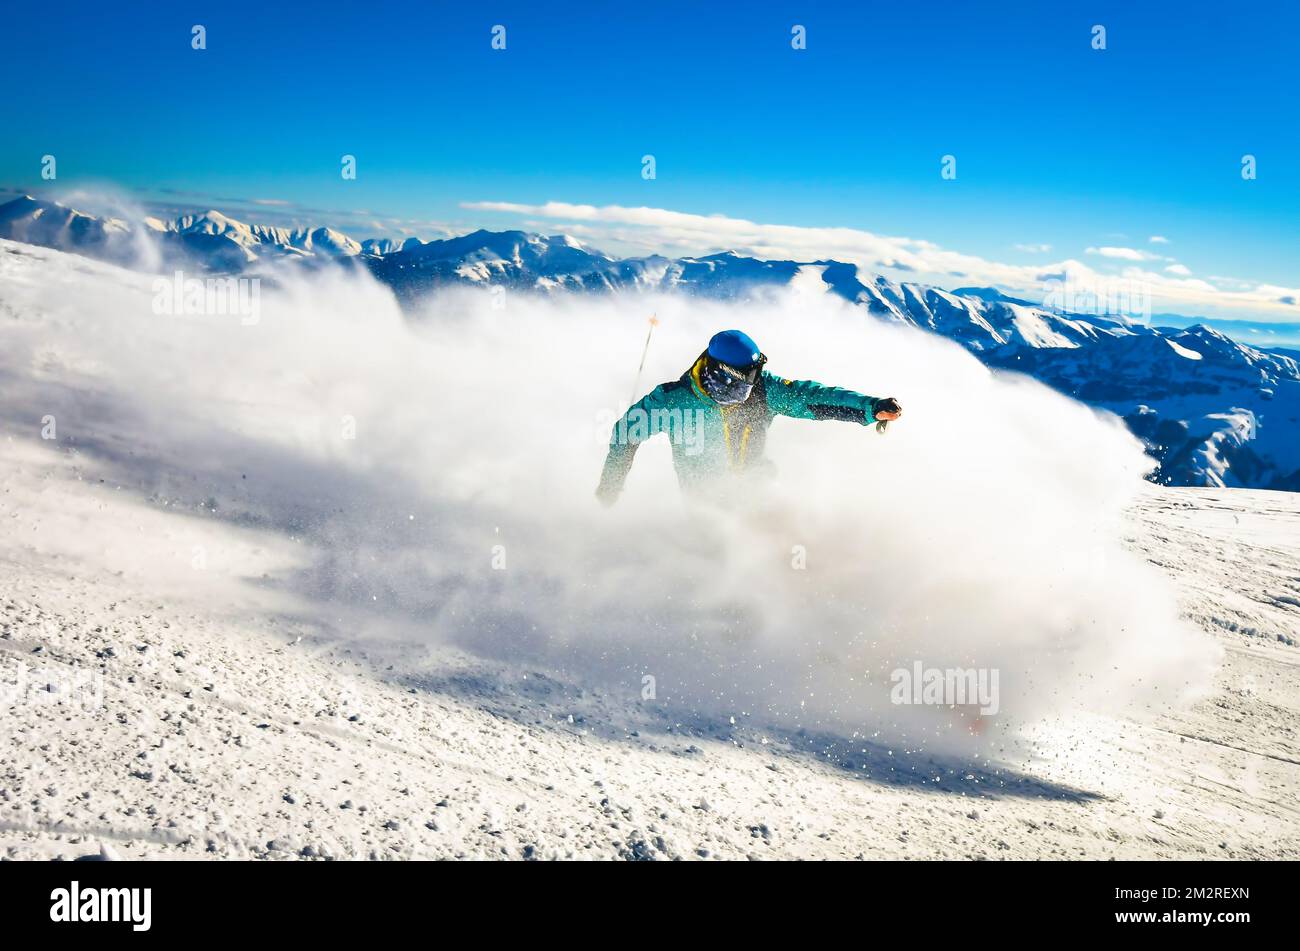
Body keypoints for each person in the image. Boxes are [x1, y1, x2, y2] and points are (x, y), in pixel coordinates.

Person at [597, 329, 902, 504]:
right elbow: (626, 434)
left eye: (749, 384)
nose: (744, 395)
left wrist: (869, 407)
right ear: (716, 373)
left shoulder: (762, 390)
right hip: (704, 508)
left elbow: (812, 398)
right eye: (737, 385)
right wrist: (611, 487)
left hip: (757, 497)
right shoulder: (673, 400)